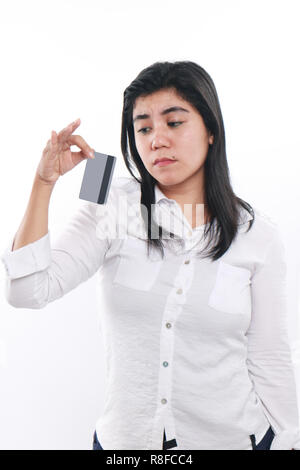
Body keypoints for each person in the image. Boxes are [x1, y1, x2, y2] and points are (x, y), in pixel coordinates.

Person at [1, 60, 299, 450]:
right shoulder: (106, 194)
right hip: (125, 443)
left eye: (174, 123)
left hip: (231, 439)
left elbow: (270, 356)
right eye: (143, 128)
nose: (156, 139)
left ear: (211, 130)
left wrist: (291, 439)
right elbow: (27, 292)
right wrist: (44, 184)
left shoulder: (257, 232)